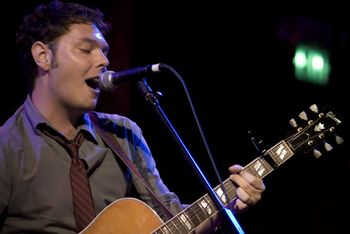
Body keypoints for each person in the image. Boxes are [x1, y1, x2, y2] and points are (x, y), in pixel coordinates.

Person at [0, 1, 265, 233]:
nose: (103, 60)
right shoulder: (5, 148)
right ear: (43, 56)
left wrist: (225, 206)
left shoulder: (123, 133)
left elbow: (173, 222)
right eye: (86, 49)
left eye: (104, 51)